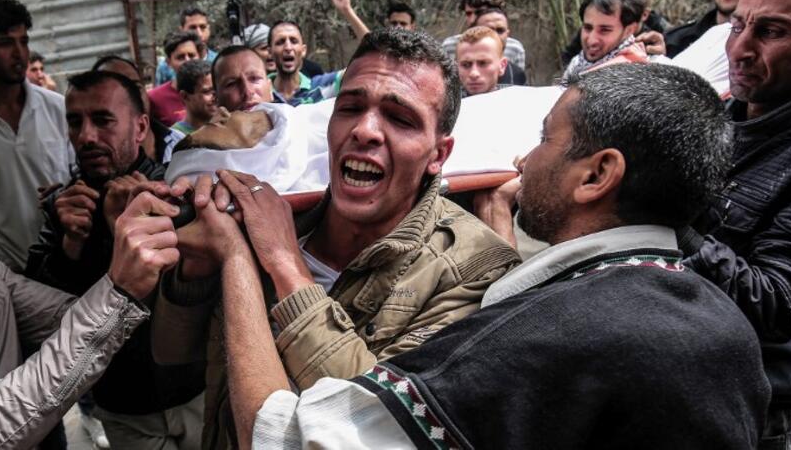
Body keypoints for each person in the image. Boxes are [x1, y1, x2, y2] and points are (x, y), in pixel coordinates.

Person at [179, 63, 769, 449]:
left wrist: (244, 262)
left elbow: (283, 436)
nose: (521, 161)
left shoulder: (541, 329)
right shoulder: (724, 322)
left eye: (544, 140)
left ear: (598, 174)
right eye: (349, 109)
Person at [158, 28, 520, 449]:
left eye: (400, 119)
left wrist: (284, 264)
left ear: (438, 154)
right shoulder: (266, 217)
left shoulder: (476, 270)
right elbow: (173, 356)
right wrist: (197, 269)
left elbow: (376, 424)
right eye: (350, 107)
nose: (365, 130)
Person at [24, 70, 205, 449]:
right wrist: (71, 245)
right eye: (75, 122)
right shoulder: (67, 207)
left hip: (197, 389)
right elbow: (40, 316)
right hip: (124, 404)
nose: (87, 136)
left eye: (103, 120)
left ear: (140, 128)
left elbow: (197, 288)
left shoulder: (176, 187)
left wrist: (132, 227)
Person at [676, 0, 791, 446]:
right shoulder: (715, 125)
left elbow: (776, 303)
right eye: (738, 26)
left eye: (771, 32)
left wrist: (664, 217)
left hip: (744, 415)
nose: (740, 50)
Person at [0, 191, 182, 449]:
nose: (88, 146)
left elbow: (61, 316)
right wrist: (117, 291)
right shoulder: (62, 213)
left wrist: (119, 249)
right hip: (119, 412)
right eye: (76, 145)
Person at [0, 0, 73, 271]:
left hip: (65, 262)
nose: (20, 54)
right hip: (4, 278)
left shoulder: (58, 109)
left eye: (24, 41)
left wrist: (69, 190)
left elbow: (84, 176)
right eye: (5, 43)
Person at [562, 0, 668, 82]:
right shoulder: (576, 64)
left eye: (605, 30)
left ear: (629, 30)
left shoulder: (651, 71)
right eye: (587, 28)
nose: (591, 40)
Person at [92, 54, 184, 164]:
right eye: (114, 93)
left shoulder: (180, 142)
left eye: (135, 87)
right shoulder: (96, 161)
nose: (131, 98)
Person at [441, 0, 527, 71]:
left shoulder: (514, 48)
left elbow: (517, 82)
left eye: (478, 12)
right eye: (468, 13)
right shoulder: (450, 45)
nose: (472, 19)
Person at [267, 20, 342, 106]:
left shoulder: (318, 87)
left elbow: (359, 71)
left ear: (303, 50)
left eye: (294, 41)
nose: (288, 47)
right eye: (280, 42)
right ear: (270, 52)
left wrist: (348, 11)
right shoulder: (258, 91)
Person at [148, 31, 201, 126]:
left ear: (200, 56)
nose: (187, 61)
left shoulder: (214, 91)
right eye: (180, 57)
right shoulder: (155, 99)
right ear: (168, 62)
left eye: (191, 55)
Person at [156, 7, 218, 85]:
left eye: (202, 27)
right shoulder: (165, 67)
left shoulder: (218, 62)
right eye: (192, 28)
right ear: (182, 30)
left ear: (209, 28)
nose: (199, 33)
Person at [212, 45, 276, 112]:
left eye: (254, 78)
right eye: (232, 84)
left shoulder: (287, 118)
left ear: (270, 88)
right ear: (216, 99)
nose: (247, 92)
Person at [473, 8, 527, 85]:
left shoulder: (517, 75)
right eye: (488, 30)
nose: (495, 35)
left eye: (500, 30)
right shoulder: (458, 74)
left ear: (507, 34)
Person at [456, 25, 508, 96]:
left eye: (483, 63)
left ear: (502, 66)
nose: (474, 73)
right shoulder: (444, 105)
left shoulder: (519, 103)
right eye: (466, 65)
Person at [172, 59, 217, 135]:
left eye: (217, 89)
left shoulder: (227, 128)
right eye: (206, 91)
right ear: (185, 96)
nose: (216, 97)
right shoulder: (176, 138)